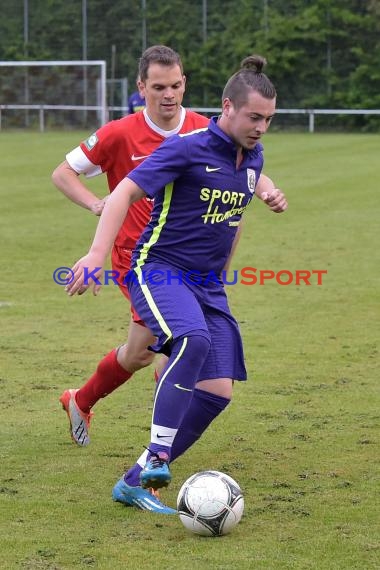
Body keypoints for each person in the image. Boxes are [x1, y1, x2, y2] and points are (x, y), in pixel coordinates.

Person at [65, 54, 288, 514]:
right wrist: (95, 254)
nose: (261, 126)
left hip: (206, 283)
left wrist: (262, 196)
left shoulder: (252, 157)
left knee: (217, 393)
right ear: (227, 108)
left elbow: (234, 217)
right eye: (253, 117)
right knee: (190, 339)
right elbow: (124, 191)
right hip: (159, 267)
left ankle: (132, 481)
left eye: (268, 118)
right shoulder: (187, 147)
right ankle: (160, 455)